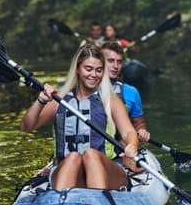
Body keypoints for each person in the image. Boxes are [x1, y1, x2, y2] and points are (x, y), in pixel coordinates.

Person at [20, 44, 141, 191]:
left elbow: (129, 132)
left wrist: (132, 145)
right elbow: (26, 127)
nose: (94, 75)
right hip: (68, 168)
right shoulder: (59, 99)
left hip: (104, 167)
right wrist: (40, 101)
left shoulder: (111, 101)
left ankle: (99, 203)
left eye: (99, 70)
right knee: (73, 157)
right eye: (88, 69)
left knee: (90, 155)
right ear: (77, 69)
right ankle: (62, 203)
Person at [101, 41, 150, 142]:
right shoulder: (86, 88)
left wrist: (142, 130)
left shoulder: (131, 92)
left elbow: (139, 123)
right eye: (110, 61)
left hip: (121, 146)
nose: (115, 66)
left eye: (119, 62)